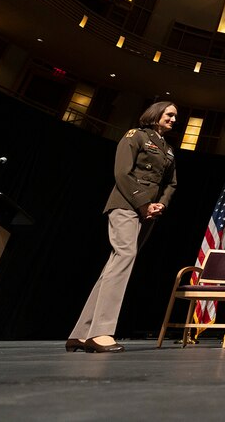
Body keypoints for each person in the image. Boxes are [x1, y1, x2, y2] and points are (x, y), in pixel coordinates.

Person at [68, 101, 179, 353]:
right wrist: (143, 203)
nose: (174, 119)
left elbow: (171, 183)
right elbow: (122, 173)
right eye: (169, 115)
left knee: (115, 264)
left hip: (149, 213)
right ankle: (100, 332)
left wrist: (160, 205)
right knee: (124, 257)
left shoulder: (168, 149)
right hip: (126, 205)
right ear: (155, 114)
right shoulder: (135, 136)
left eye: (175, 117)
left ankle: (81, 333)